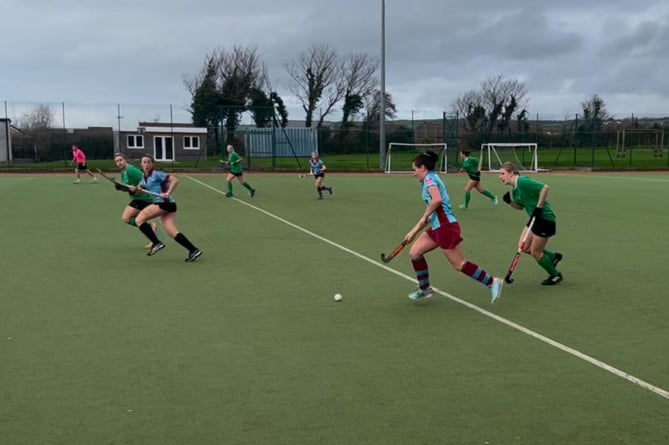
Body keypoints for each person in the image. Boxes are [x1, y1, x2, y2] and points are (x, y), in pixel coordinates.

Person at [404, 151, 503, 302]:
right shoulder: (430, 179)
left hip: (446, 228)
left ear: (422, 168)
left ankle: (492, 282)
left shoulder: (430, 181)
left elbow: (436, 201)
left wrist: (418, 224)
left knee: (459, 264)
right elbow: (432, 211)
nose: (414, 174)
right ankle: (425, 289)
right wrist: (414, 231)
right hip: (438, 227)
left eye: (414, 169)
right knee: (415, 253)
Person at [498, 162, 563, 285]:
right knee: (524, 247)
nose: (500, 177)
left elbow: (545, 187)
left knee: (535, 252)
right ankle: (553, 257)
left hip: (545, 219)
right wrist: (510, 202)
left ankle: (556, 275)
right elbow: (520, 207)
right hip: (534, 219)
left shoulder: (522, 181)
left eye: (502, 174)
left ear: (512, 173)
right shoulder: (515, 190)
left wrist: (539, 207)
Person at [129, 154, 202, 262]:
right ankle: (193, 250)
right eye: (144, 162)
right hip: (168, 205)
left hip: (164, 203)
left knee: (139, 219)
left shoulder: (157, 175)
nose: (147, 164)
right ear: (141, 165)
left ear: (152, 164)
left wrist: (168, 192)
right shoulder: (144, 179)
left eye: (149, 162)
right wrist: (130, 188)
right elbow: (138, 191)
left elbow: (175, 180)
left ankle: (157, 243)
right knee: (171, 232)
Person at [113, 153, 158, 249]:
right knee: (136, 220)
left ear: (125, 160)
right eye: (117, 161)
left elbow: (145, 180)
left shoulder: (130, 170)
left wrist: (138, 188)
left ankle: (151, 229)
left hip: (143, 198)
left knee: (126, 218)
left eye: (121, 160)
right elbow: (128, 187)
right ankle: (152, 234)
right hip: (137, 198)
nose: (119, 162)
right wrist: (120, 187)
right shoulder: (123, 172)